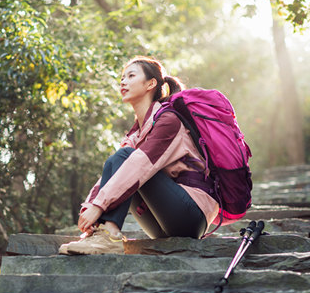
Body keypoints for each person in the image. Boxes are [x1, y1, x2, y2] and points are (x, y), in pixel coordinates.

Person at [59, 56, 220, 255]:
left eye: (131, 76)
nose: (123, 82)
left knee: (127, 159)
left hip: (192, 215)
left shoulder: (168, 121)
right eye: (122, 78)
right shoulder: (137, 133)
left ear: (151, 84)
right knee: (121, 161)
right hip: (162, 222)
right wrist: (91, 206)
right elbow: (115, 174)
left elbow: (138, 165)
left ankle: (110, 236)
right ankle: (101, 234)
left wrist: (100, 206)